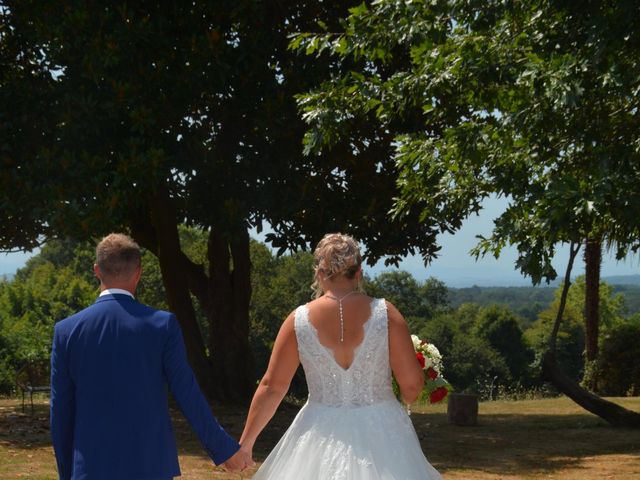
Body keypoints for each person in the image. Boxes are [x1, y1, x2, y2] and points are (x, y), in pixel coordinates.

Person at [239, 233, 442, 479]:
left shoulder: (297, 321)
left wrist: (246, 444)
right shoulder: (386, 315)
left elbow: (272, 386)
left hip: (318, 431)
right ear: (359, 273)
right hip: (384, 432)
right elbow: (411, 386)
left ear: (320, 273)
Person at [50, 233, 252, 480]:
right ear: (138, 273)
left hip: (90, 468)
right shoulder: (162, 325)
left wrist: (67, 473)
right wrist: (224, 450)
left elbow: (60, 412)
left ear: (96, 271)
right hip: (151, 465)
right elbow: (187, 393)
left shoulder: (66, 331)